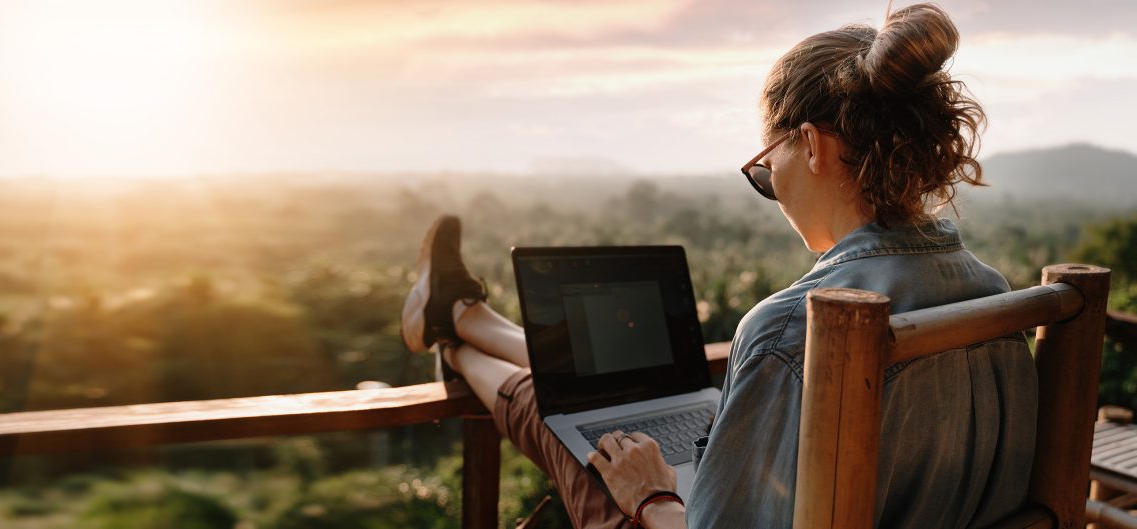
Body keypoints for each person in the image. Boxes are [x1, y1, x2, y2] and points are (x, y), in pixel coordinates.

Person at [399, 4, 1036, 528]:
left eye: (766, 165)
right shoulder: (994, 296)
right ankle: (462, 320)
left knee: (573, 427)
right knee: (589, 406)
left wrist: (652, 496)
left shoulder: (796, 328)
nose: (771, 185)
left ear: (810, 145)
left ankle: (454, 337)